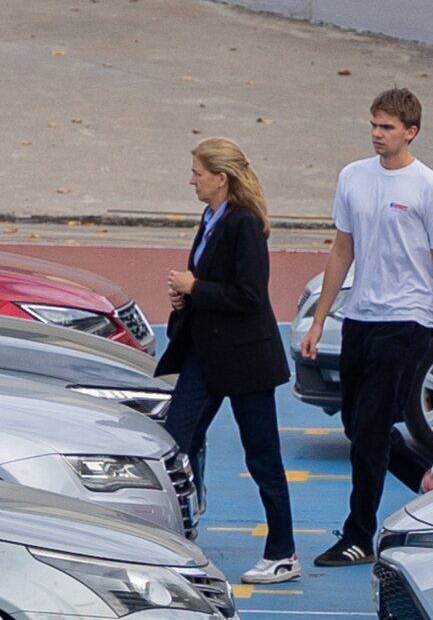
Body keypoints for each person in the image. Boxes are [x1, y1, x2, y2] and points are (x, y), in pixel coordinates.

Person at [300, 88, 433, 567]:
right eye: (374, 125)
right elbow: (341, 250)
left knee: (369, 433)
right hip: (360, 320)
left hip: (406, 321)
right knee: (358, 425)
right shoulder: (352, 177)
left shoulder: (429, 188)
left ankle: (358, 535)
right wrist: (320, 319)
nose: (377, 134)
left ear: (410, 132)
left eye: (387, 127)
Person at [155, 136, 299, 584]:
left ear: (221, 178)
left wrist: (195, 288)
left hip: (244, 360)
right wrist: (185, 295)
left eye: (198, 173)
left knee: (262, 456)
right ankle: (176, 531)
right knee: (175, 443)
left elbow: (250, 295)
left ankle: (283, 551)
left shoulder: (244, 225)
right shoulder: (211, 216)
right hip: (205, 352)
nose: (191, 180)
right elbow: (208, 279)